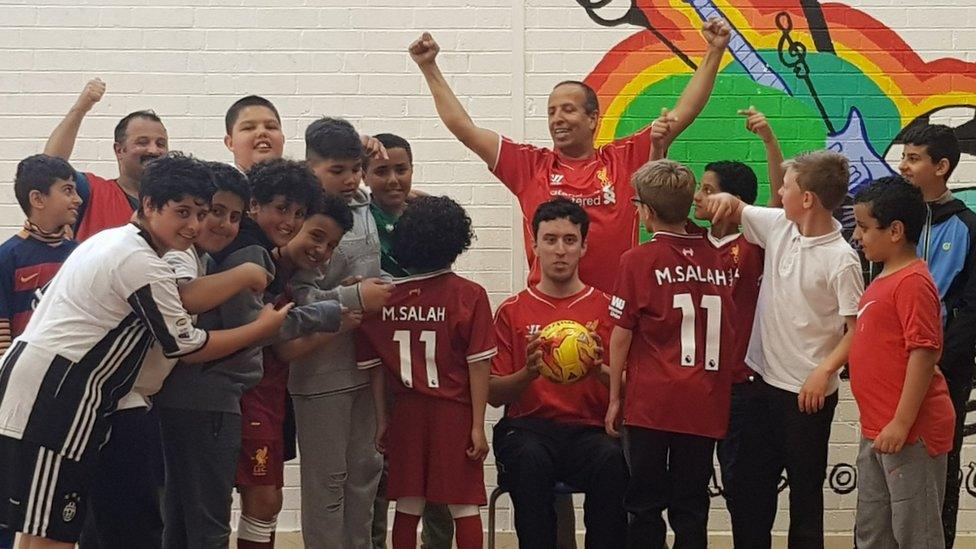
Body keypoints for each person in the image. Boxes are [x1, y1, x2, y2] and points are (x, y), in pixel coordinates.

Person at [0, 153, 294, 549]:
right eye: (182, 212)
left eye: (200, 213)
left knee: (60, 526)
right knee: (53, 530)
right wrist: (261, 326)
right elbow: (186, 344)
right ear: (149, 205)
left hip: (81, 393)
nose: (193, 225)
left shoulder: (117, 242)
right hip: (56, 393)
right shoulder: (139, 259)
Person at [408, 20, 731, 291]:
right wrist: (429, 67)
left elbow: (684, 112)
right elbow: (465, 128)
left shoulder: (624, 159)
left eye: (568, 110)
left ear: (592, 119)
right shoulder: (529, 165)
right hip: (547, 314)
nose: (557, 119)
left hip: (615, 312)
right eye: (551, 112)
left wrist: (714, 52)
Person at [153, 158, 344, 549]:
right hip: (213, 396)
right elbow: (262, 331)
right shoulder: (249, 252)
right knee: (219, 517)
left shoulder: (215, 252)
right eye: (281, 208)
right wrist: (333, 312)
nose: (289, 221)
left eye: (298, 213)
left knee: (185, 515)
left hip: (192, 395)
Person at [699, 150, 864, 548]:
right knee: (750, 493)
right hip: (758, 387)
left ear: (807, 198)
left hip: (805, 398)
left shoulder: (842, 260)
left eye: (786, 186)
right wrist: (722, 201)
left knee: (806, 496)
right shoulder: (779, 226)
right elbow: (737, 207)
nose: (777, 191)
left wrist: (824, 371)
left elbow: (857, 330)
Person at [605, 160, 735, 548]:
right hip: (705, 401)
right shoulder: (718, 259)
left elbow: (620, 337)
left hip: (652, 404)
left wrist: (615, 397)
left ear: (646, 210)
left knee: (644, 503)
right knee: (691, 505)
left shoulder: (637, 260)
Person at [357, 196, 495, 549]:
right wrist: (478, 424)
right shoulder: (470, 295)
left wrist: (382, 419)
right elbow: (479, 364)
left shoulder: (383, 301)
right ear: (456, 241)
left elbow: (375, 370)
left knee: (408, 504)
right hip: (454, 412)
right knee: (463, 505)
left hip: (406, 412)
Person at [490, 197, 626, 549]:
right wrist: (528, 373)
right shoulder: (512, 311)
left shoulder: (609, 310)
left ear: (584, 246)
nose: (560, 250)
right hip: (529, 429)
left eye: (569, 240)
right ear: (534, 245)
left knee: (613, 460)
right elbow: (492, 394)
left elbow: (631, 388)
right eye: (550, 240)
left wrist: (598, 371)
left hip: (591, 429)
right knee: (529, 460)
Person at [288, 117, 392, 549]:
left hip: (366, 366)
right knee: (327, 483)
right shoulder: (297, 219)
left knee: (365, 475)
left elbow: (366, 277)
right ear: (309, 167)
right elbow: (295, 303)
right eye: (337, 171)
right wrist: (354, 300)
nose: (350, 179)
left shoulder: (364, 206)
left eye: (355, 168)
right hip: (319, 371)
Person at [849, 176, 956, 548]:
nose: (857, 237)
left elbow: (924, 353)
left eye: (863, 228)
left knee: (916, 535)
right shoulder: (881, 280)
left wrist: (901, 422)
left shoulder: (913, 282)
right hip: (877, 430)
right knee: (873, 532)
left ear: (895, 230)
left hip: (911, 434)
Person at [361, 132, 456, 548]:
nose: (393, 179)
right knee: (381, 466)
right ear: (364, 175)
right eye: (381, 171)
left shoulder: (426, 214)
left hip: (428, 358)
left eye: (401, 169)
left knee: (438, 472)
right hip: (381, 353)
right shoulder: (356, 217)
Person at [896, 124, 976, 548]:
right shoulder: (892, 222)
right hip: (894, 366)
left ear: (941, 167)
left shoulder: (967, 226)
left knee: (940, 458)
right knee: (888, 456)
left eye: (914, 158)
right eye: (904, 157)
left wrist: (934, 364)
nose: (904, 166)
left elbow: (972, 310)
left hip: (946, 370)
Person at [695, 110, 773, 536]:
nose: (698, 198)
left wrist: (768, 140)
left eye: (707, 191)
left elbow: (779, 202)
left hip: (743, 389)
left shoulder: (757, 242)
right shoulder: (691, 240)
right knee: (690, 491)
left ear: (732, 200)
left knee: (745, 491)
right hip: (696, 385)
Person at [0, 154, 82, 548]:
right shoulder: (8, 257)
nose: (77, 200)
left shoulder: (83, 255)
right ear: (37, 198)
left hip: (68, 392)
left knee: (54, 500)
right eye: (67, 190)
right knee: (12, 491)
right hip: (19, 390)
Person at [44, 78, 169, 241]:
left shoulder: (179, 204)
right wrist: (80, 109)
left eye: (161, 144)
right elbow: (49, 167)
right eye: (142, 142)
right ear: (119, 150)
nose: (153, 150)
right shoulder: (92, 192)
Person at [223, 95, 286, 173]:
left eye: (271, 127)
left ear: (283, 139)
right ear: (230, 143)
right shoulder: (217, 183)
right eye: (248, 128)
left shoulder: (300, 182)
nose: (262, 132)